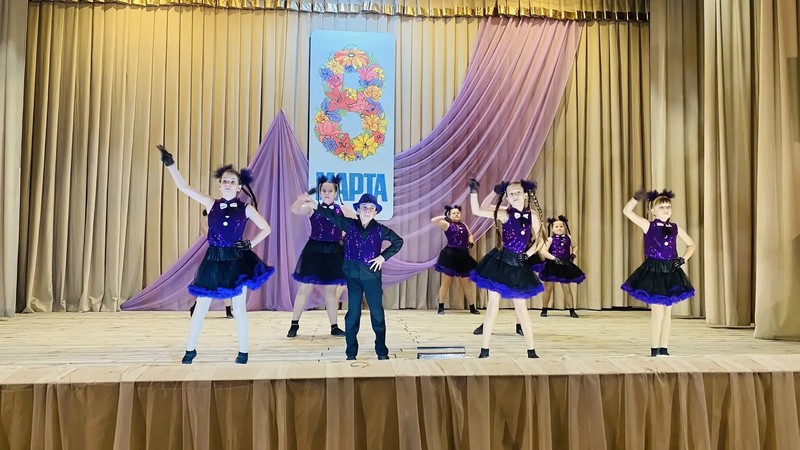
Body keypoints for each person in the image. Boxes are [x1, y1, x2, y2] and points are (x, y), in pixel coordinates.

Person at [158, 145, 273, 365]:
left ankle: (243, 352)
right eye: (225, 181)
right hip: (213, 260)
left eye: (232, 181)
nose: (228, 184)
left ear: (239, 187)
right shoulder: (211, 204)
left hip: (237, 261)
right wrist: (170, 165)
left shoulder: (246, 208)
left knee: (239, 309)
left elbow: (266, 228)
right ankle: (190, 349)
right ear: (219, 185)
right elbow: (183, 187)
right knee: (201, 307)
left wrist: (250, 243)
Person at [315, 193, 403, 360]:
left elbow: (398, 241)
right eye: (364, 207)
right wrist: (315, 206)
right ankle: (351, 352)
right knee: (352, 314)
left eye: (371, 208)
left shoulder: (380, 229)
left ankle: (381, 351)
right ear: (358, 210)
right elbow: (330, 216)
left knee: (377, 313)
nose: (367, 210)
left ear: (376, 212)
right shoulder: (349, 225)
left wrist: (382, 257)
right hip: (353, 277)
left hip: (371, 277)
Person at [468, 179, 544, 358]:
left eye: (518, 192)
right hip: (500, 263)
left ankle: (531, 351)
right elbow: (478, 210)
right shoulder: (504, 214)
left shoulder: (532, 216)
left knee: (521, 309)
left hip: (518, 265)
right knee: (492, 306)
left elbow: (540, 239)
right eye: (511, 193)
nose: (515, 195)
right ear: (507, 198)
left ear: (525, 195)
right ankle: (484, 350)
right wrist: (477, 192)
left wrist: (528, 254)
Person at [621, 189, 696, 357]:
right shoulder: (648, 225)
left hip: (670, 271)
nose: (666, 209)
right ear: (653, 211)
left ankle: (664, 348)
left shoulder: (675, 228)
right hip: (654, 271)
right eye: (661, 207)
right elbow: (627, 211)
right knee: (657, 312)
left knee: (667, 312)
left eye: (668, 206)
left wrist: (683, 259)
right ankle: (654, 348)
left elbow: (692, 244)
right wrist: (635, 198)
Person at [287, 175, 354, 337]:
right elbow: (294, 210)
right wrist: (300, 199)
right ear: (320, 192)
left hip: (334, 252)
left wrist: (345, 234)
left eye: (330, 190)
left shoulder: (342, 209)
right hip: (314, 251)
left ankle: (334, 327)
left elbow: (357, 224)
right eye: (324, 190)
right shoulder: (312, 207)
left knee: (331, 292)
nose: (327, 193)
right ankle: (294, 324)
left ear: (336, 193)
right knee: (304, 289)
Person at [431, 204, 479, 315]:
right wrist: (445, 217)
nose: (456, 214)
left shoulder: (464, 225)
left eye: (458, 213)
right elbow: (433, 220)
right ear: (449, 215)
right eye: (454, 213)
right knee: (446, 283)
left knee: (466, 283)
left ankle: (472, 307)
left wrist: (471, 241)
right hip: (450, 256)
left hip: (463, 256)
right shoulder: (446, 224)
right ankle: (441, 306)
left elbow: (470, 235)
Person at [539, 215, 585, 318]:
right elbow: (543, 251)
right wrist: (554, 258)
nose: (559, 228)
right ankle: (544, 309)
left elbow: (575, 246)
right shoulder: (550, 239)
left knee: (566, 287)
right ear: (552, 228)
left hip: (564, 264)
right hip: (552, 265)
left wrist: (573, 254)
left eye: (561, 226)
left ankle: (572, 310)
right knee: (548, 287)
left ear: (564, 227)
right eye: (556, 226)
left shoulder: (569, 237)